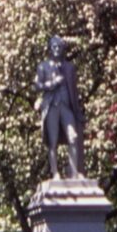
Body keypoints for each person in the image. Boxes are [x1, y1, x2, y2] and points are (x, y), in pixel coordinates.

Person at [36, 36, 86, 179]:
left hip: (66, 106)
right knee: (53, 141)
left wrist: (77, 111)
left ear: (63, 49)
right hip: (52, 105)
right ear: (50, 49)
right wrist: (50, 84)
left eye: (59, 46)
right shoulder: (43, 66)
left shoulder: (69, 67)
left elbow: (74, 92)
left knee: (73, 137)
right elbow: (37, 85)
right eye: (54, 46)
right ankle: (55, 172)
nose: (57, 49)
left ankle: (75, 172)